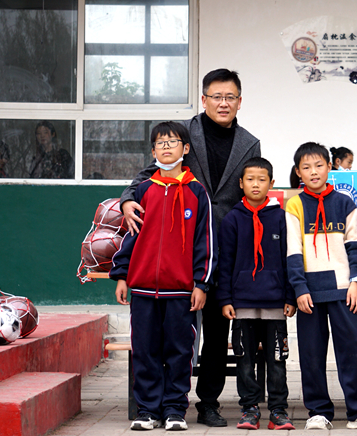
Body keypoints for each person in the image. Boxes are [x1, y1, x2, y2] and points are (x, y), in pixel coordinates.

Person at [121, 69, 261, 427]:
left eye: (230, 97)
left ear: (240, 101)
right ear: (204, 99)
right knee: (171, 334)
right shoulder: (183, 134)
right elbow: (146, 175)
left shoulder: (249, 143)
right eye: (216, 96)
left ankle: (208, 402)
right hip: (181, 250)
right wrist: (127, 200)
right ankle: (158, 404)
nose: (223, 103)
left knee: (216, 329)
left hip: (225, 247)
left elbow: (252, 188)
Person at [110, 121, 217, 431]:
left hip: (181, 292)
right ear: (153, 151)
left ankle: (174, 410)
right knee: (144, 350)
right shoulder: (142, 191)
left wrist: (201, 283)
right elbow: (130, 236)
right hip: (143, 289)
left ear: (186, 148)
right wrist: (122, 275)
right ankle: (147, 410)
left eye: (173, 141)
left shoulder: (197, 192)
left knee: (180, 352)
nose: (167, 147)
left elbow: (206, 242)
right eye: (160, 142)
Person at [285, 142, 357, 431]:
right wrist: (300, 288)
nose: (313, 172)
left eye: (319, 165)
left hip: (344, 290)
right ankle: (318, 411)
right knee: (311, 354)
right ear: (298, 172)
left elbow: (355, 246)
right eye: (306, 167)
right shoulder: (295, 205)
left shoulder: (344, 202)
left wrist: (355, 282)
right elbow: (293, 252)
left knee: (352, 350)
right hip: (310, 293)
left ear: (330, 167)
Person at [217, 157, 297, 431]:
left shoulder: (281, 218)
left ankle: (278, 411)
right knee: (245, 360)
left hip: (275, 304)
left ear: (271, 183)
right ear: (240, 183)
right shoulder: (232, 219)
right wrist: (225, 299)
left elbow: (289, 260)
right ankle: (249, 409)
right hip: (242, 304)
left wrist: (290, 297)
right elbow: (225, 263)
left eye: (262, 180)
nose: (255, 184)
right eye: (250, 179)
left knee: (277, 360)